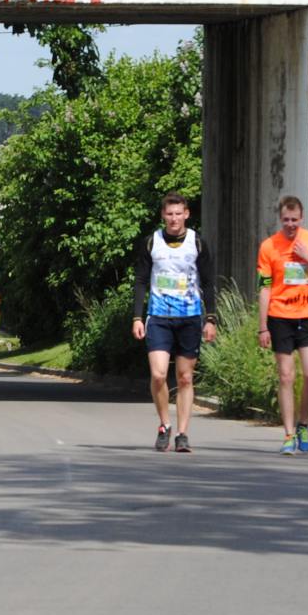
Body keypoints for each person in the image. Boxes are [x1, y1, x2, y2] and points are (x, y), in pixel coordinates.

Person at [129, 192, 218, 453]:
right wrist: (137, 317)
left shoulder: (197, 243)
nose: (174, 219)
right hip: (159, 317)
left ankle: (182, 434)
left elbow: (208, 282)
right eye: (169, 214)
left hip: (189, 317)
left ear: (186, 214)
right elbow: (141, 280)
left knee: (185, 377)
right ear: (163, 215)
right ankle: (165, 425)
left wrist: (210, 318)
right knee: (158, 374)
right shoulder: (152, 242)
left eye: (179, 213)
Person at [256, 195, 308, 455]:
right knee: (286, 376)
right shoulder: (269, 247)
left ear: (302, 218)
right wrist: (263, 326)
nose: (290, 224)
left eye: (295, 220)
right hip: (280, 317)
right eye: (286, 220)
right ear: (280, 219)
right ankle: (288, 434)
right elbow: (264, 288)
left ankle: (303, 424)